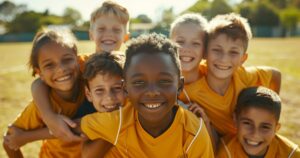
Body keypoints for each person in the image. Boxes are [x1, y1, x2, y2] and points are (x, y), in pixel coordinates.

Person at [81, 33, 214, 157]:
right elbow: (77, 128)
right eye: (139, 82)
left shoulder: (194, 133)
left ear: (179, 86)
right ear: (125, 88)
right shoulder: (119, 120)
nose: (152, 91)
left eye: (164, 81)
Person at [30, 0, 130, 142]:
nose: (109, 34)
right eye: (101, 29)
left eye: (116, 29)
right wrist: (48, 116)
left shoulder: (129, 67)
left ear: (126, 37)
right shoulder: (81, 63)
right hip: (74, 139)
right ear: (91, 34)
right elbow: (38, 83)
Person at [177, 13, 281, 137]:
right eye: (217, 50)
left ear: (243, 59)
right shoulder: (190, 84)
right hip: (218, 146)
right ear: (205, 53)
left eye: (233, 52)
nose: (224, 59)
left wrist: (272, 112)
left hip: (249, 139)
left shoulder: (243, 75)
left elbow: (275, 75)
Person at [2, 29, 85, 157]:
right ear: (40, 73)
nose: (61, 69)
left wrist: (29, 136)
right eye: (49, 65)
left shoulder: (91, 75)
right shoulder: (40, 106)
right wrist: (23, 137)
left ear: (77, 58)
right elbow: (9, 141)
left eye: (67, 59)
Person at [217, 86, 300, 158]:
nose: (255, 134)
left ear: (276, 128)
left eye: (265, 127)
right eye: (247, 123)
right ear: (235, 119)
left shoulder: (291, 154)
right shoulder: (225, 151)